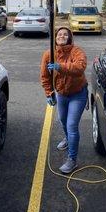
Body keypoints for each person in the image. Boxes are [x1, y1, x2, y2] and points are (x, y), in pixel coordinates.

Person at [40, 27, 88, 174]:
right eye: (59, 34)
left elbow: (80, 67)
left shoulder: (76, 51)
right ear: (55, 38)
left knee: (72, 125)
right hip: (61, 94)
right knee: (62, 120)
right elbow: (45, 76)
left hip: (77, 94)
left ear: (69, 37)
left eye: (65, 34)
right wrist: (49, 93)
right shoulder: (49, 54)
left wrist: (60, 67)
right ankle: (68, 139)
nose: (62, 36)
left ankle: (72, 159)